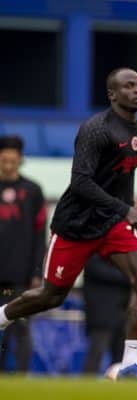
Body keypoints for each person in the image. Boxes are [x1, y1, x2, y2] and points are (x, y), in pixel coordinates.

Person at [0, 67, 137, 380]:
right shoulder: (95, 129)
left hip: (111, 222)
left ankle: (129, 365)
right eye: (129, 86)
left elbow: (123, 178)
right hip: (76, 224)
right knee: (51, 296)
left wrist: (130, 210)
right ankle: (2, 316)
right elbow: (81, 182)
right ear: (112, 94)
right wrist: (125, 210)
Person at [0, 135, 46, 372]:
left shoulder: (33, 192)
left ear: (20, 160)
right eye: (4, 160)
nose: (8, 166)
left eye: (13, 161)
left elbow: (40, 236)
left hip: (21, 279)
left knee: (22, 331)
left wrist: (37, 271)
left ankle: (20, 380)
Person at [82, 254, 131, 375]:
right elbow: (99, 271)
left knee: (120, 355)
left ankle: (119, 385)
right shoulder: (94, 254)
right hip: (101, 314)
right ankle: (87, 385)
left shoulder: (122, 255)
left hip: (121, 310)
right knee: (97, 351)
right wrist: (128, 275)